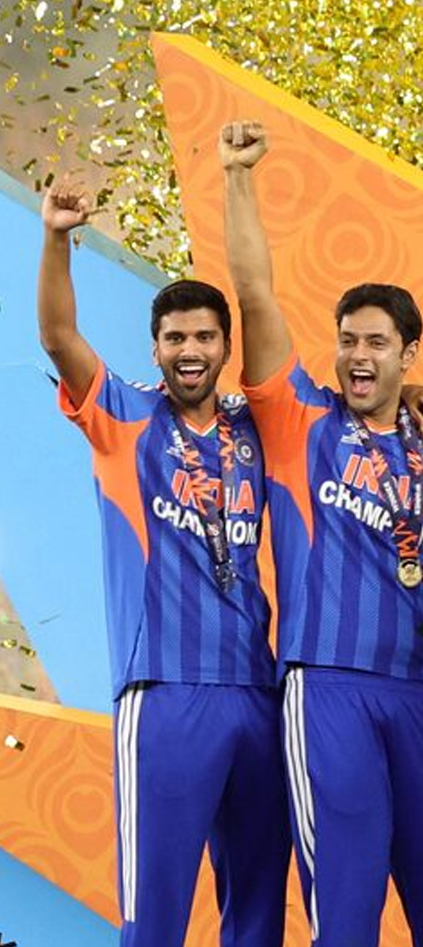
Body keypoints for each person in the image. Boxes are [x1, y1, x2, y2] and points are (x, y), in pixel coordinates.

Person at [220, 120, 423, 946]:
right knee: (347, 909)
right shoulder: (300, 419)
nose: (357, 355)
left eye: (376, 344)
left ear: (409, 354)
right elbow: (253, 297)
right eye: (348, 340)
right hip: (326, 687)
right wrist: (238, 177)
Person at [39, 177, 290, 947]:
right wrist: (55, 236)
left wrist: (417, 388)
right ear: (156, 347)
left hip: (256, 690)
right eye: (175, 338)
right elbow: (57, 338)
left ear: (223, 347)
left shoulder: (260, 427)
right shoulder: (123, 415)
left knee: (258, 904)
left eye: (204, 337)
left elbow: (344, 394)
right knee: (157, 912)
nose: (189, 350)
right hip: (165, 694)